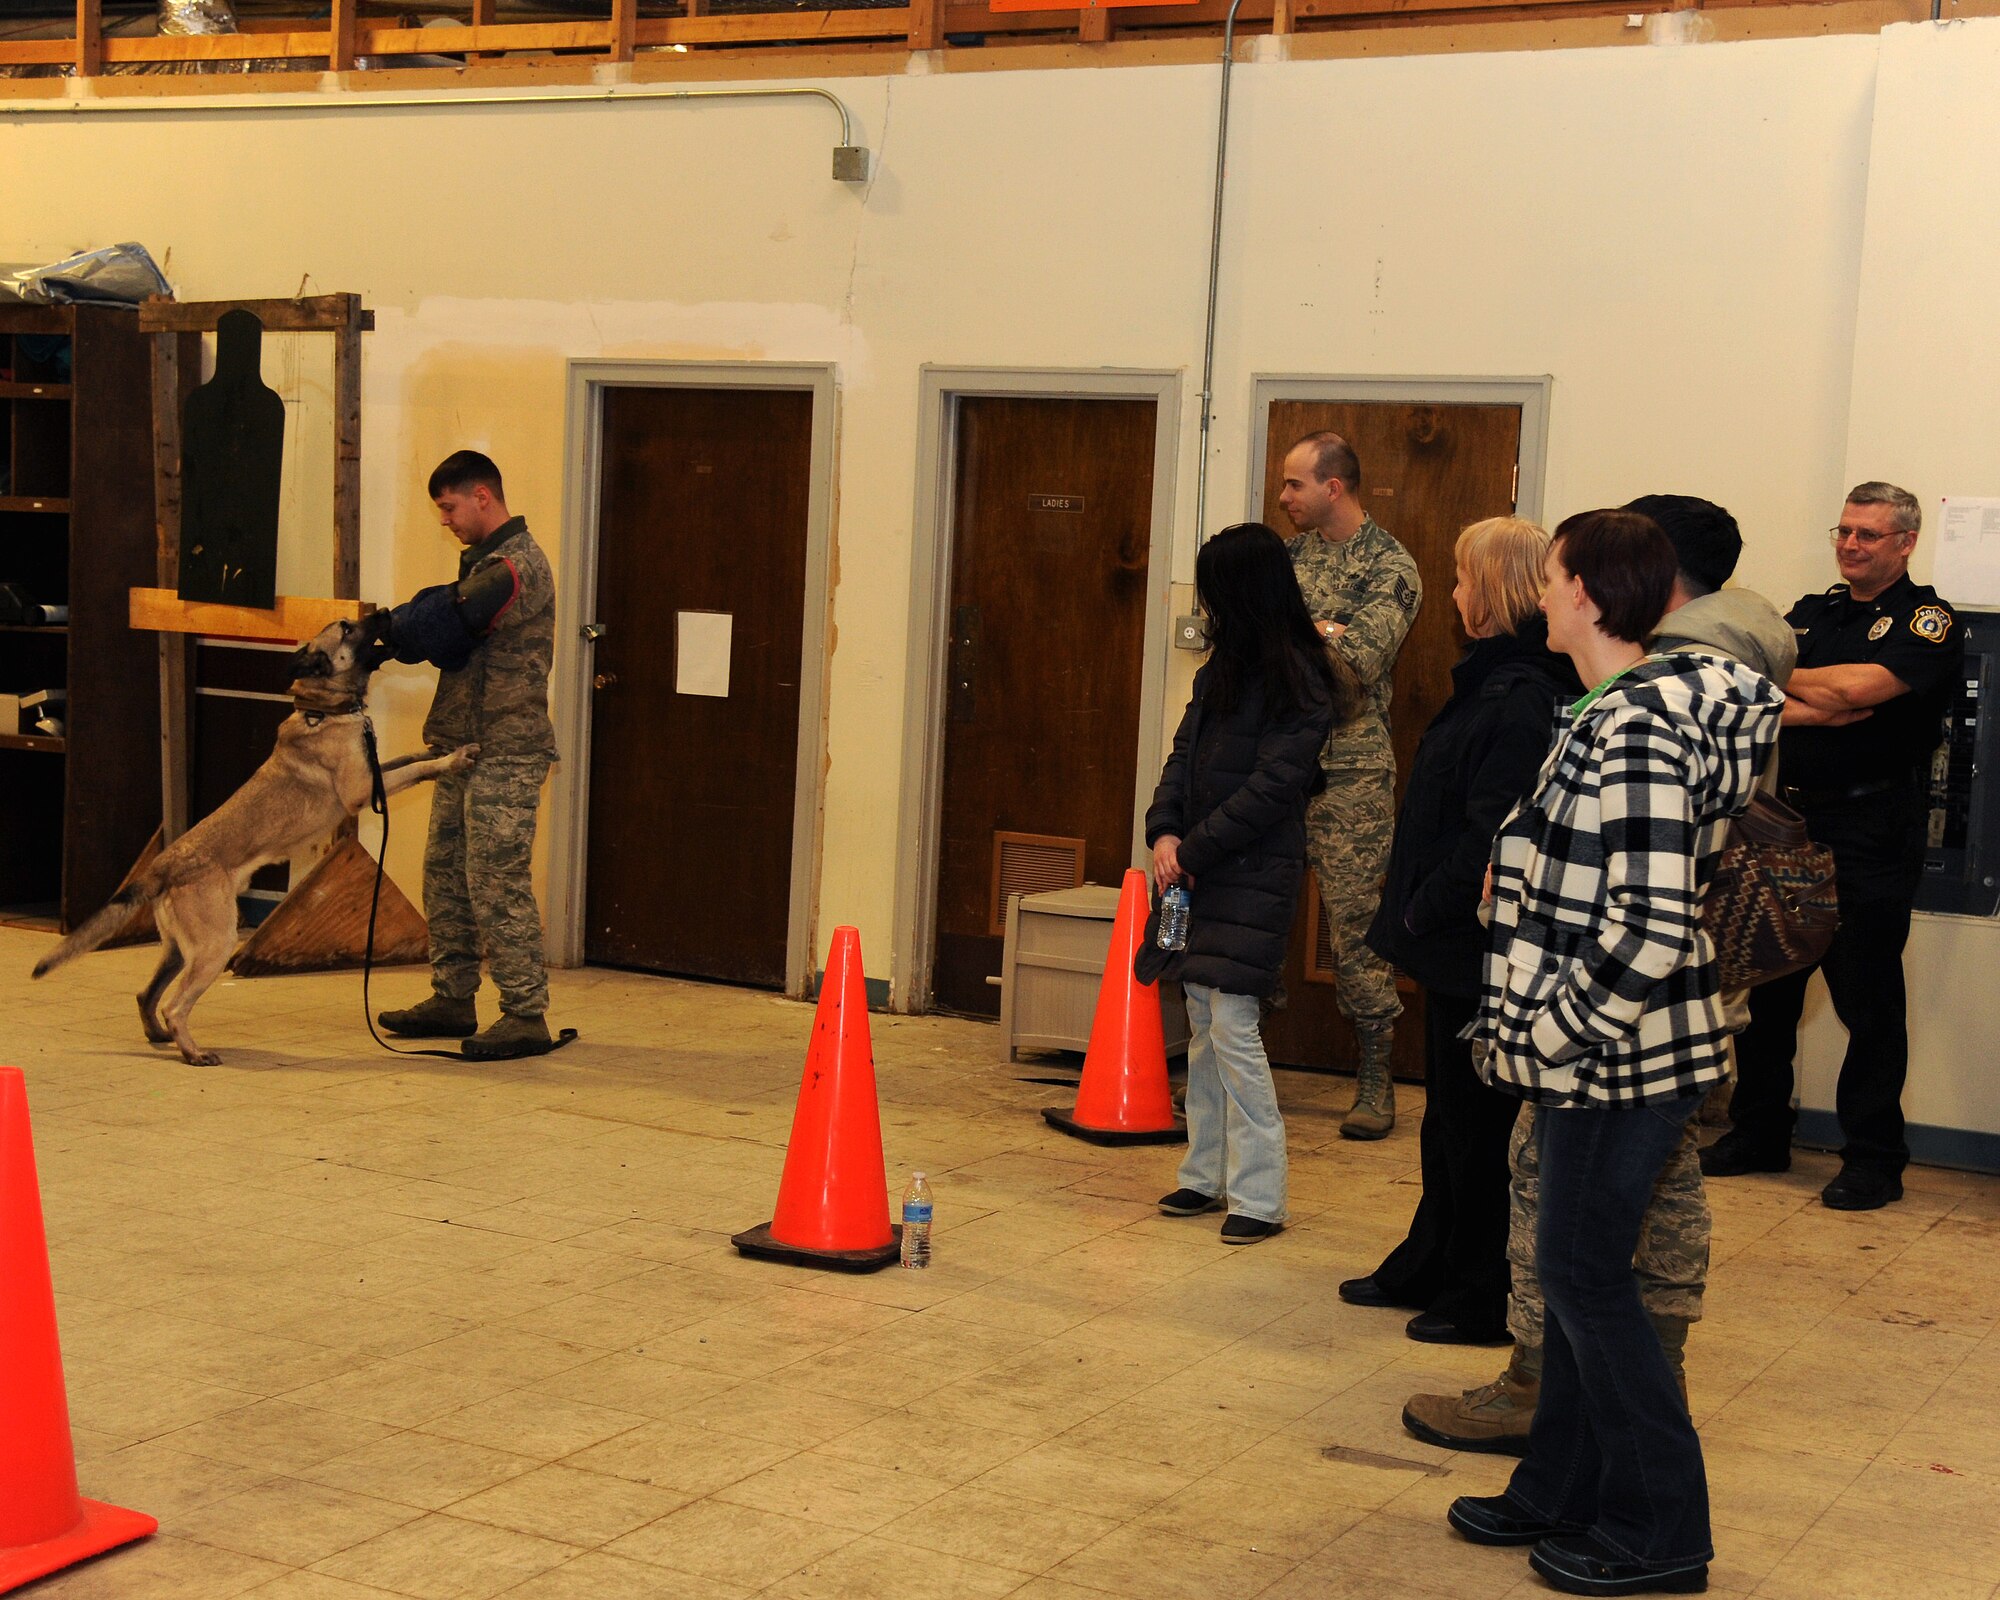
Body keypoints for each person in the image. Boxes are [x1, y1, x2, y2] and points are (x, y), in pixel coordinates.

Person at [1406, 493, 1796, 1454]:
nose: (1541, 596)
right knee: (1592, 1249)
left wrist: (1541, 1038)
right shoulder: (1655, 694)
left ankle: (1617, 1470)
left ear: (1594, 590)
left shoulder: (1642, 718)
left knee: (1586, 1267)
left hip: (1613, 1044)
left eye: (1551, 579)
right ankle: (1567, 1465)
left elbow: (1649, 919)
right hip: (1630, 1029)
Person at [1342, 518, 1578, 1346]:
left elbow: (1491, 831)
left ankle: (1482, 1291)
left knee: (1479, 1128)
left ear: (1494, 589)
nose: (1452, 594)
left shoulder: (1522, 696)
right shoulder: (1487, 682)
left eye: (1458, 578)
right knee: (1446, 1118)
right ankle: (1432, 1257)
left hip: (1473, 941)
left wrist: (1418, 908)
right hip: (1445, 940)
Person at [1707, 482, 1960, 1211]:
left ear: (1905, 543)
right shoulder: (1812, 614)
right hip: (1787, 823)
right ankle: (1758, 1133)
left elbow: (1855, 690)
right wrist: (1819, 698)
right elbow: (1756, 691)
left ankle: (1874, 1157)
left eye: (1869, 535)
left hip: (1871, 832)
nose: (1850, 544)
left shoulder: (1928, 620)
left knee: (1867, 1002)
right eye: (1844, 531)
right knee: (1771, 983)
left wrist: (1806, 691)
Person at [1148, 523, 1352, 1243]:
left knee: (1232, 1026)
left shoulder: (1301, 675)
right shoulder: (1223, 666)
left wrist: (1194, 848)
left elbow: (1275, 787)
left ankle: (1260, 1196)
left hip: (1252, 874)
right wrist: (1164, 831)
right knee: (1201, 1016)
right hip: (1195, 871)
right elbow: (1184, 753)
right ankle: (1204, 1175)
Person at [377, 451, 561, 1061]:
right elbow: (443, 627)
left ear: (483, 496)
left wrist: (401, 626)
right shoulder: (483, 563)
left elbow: (451, 621)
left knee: (494, 879)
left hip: (508, 750)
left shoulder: (516, 567)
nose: (445, 520)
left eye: (450, 507)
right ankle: (453, 996)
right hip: (463, 746)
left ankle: (524, 1012)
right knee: (446, 873)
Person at [1279, 431, 1422, 1137]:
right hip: (1276, 764)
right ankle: (1238, 1062)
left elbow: (1355, 665)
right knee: (1254, 909)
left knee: (1357, 927)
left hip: (1351, 772)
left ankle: (1376, 1072)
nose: (1284, 497)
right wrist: (1321, 630)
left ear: (1334, 486)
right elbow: (1236, 637)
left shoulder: (1391, 567)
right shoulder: (1287, 558)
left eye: (1295, 484)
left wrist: (1303, 639)